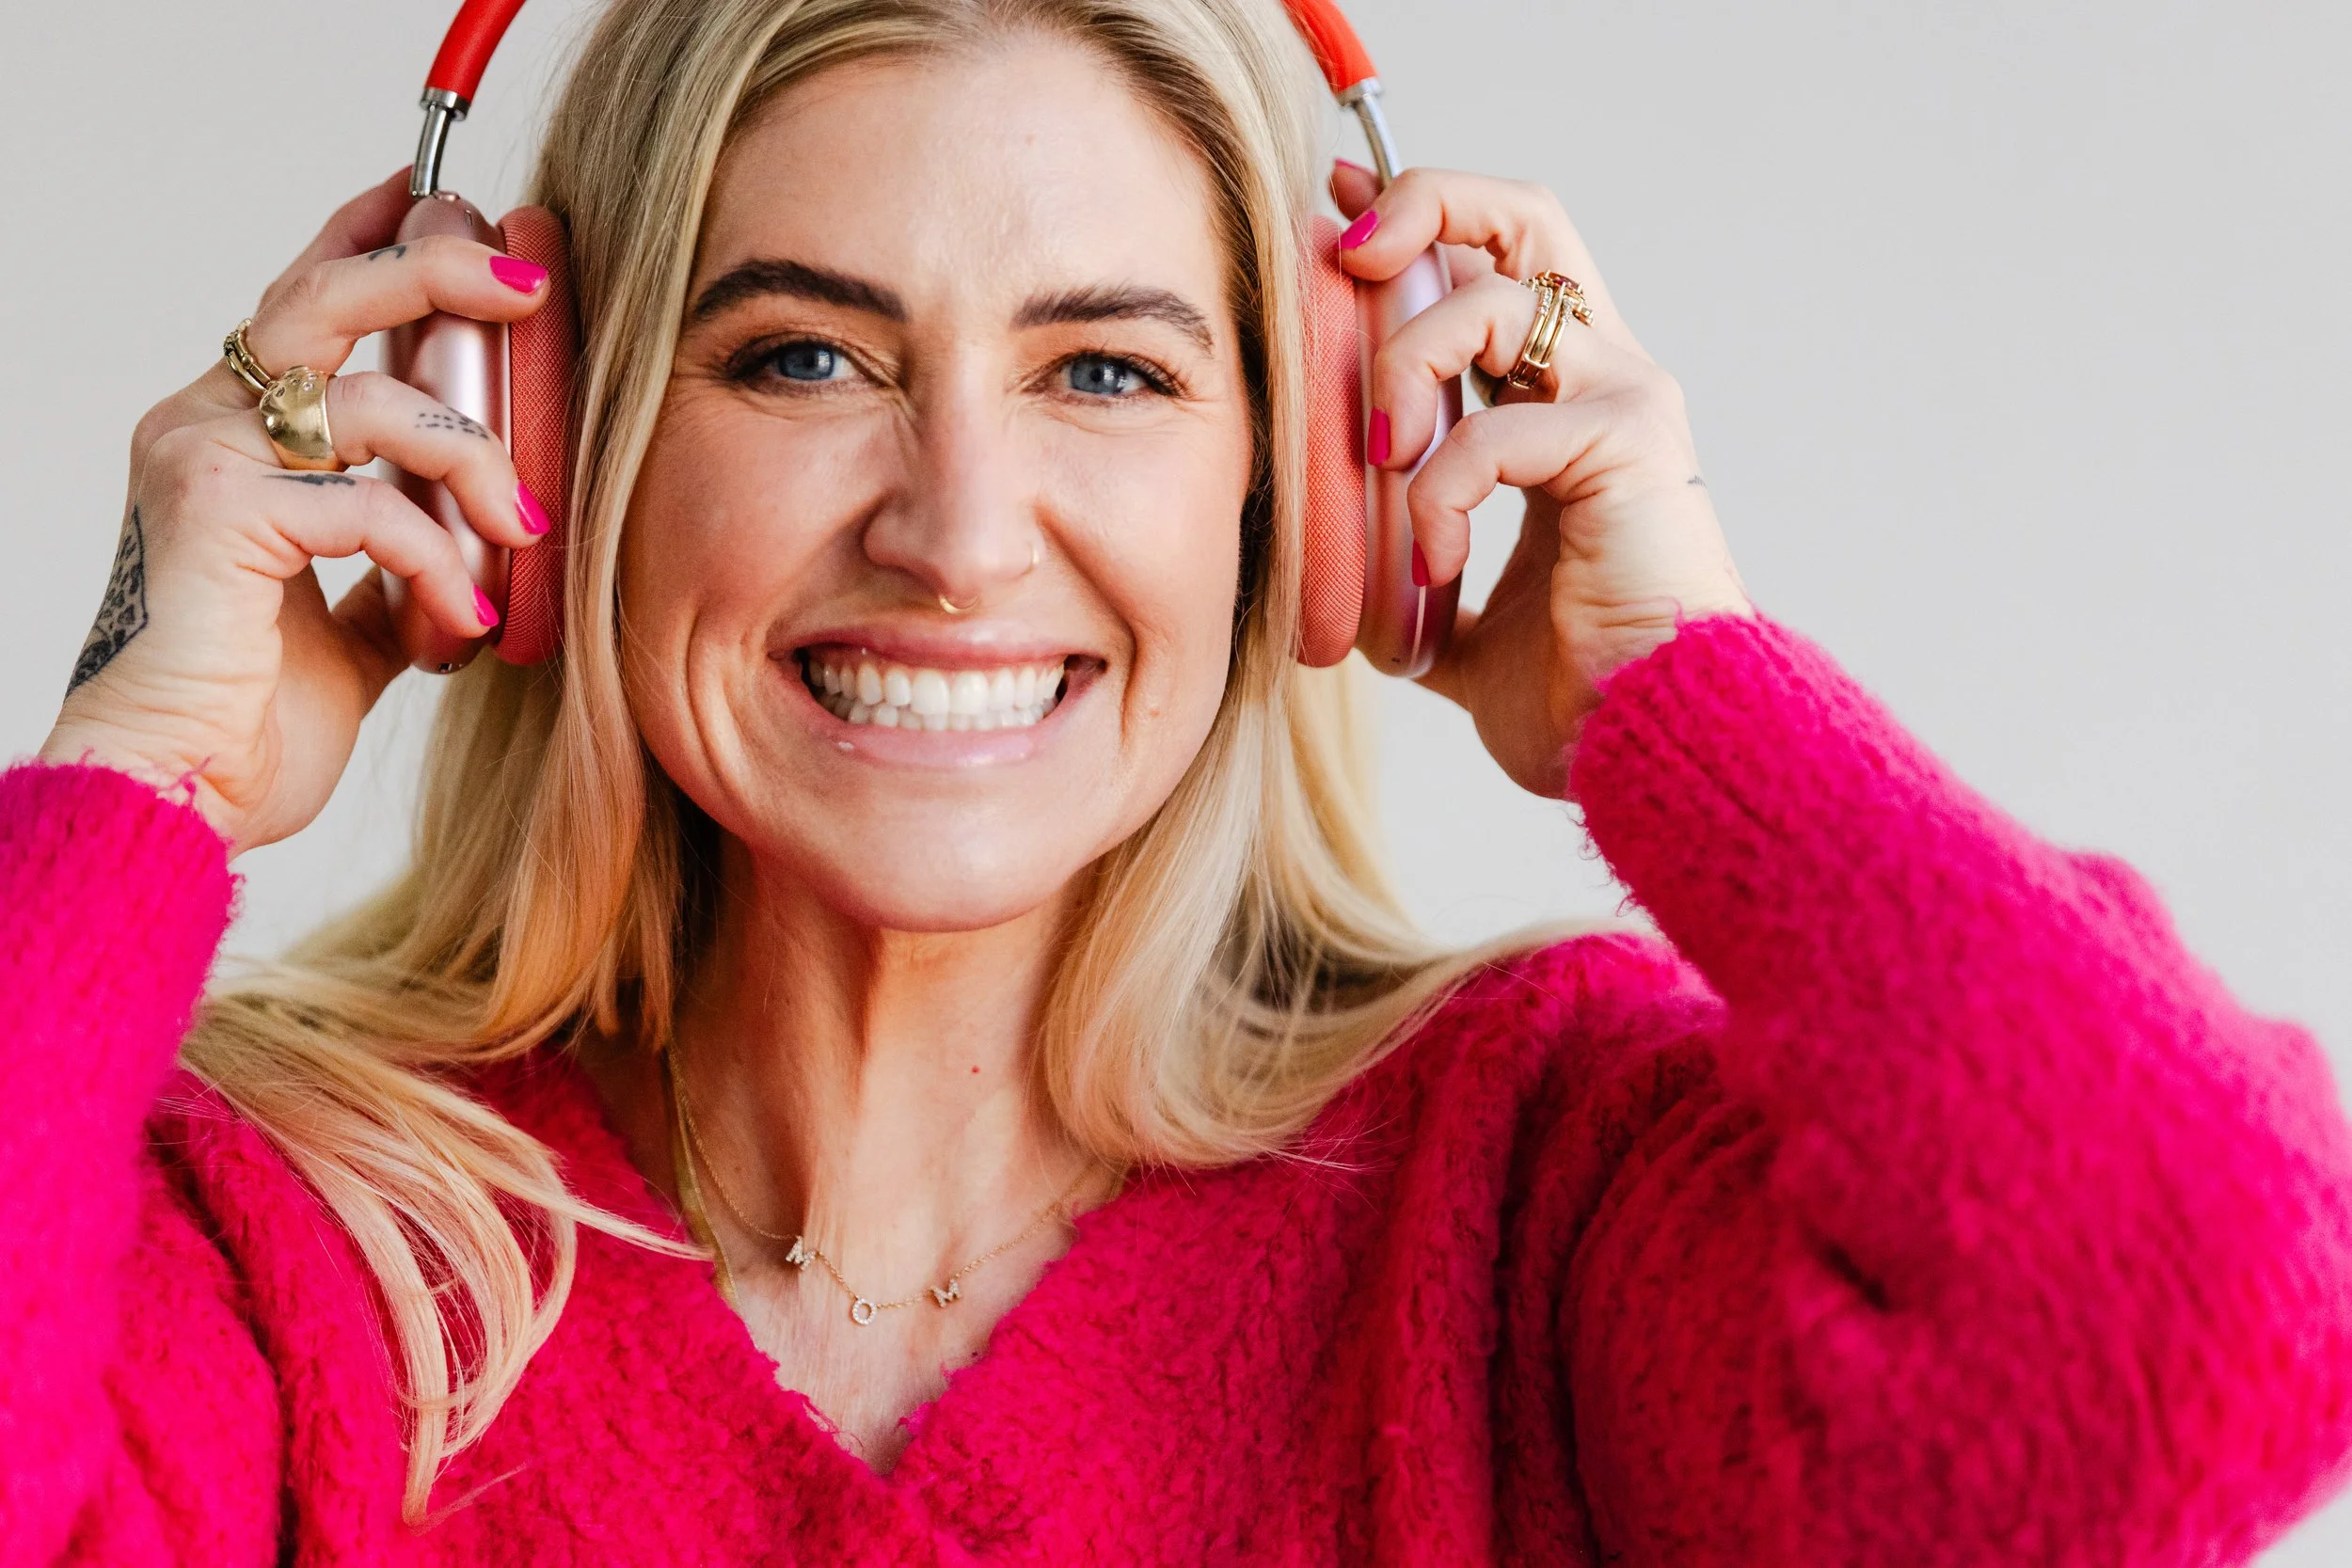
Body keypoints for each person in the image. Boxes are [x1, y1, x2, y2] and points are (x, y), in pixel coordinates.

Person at [6, 0, 2348, 1560]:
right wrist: (141, 760)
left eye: (1105, 374)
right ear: (552, 441)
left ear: (1309, 481)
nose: (954, 528)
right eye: (801, 350)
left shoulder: (1520, 1197)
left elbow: (2199, 1301)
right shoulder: (292, 1254)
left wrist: (1685, 685)